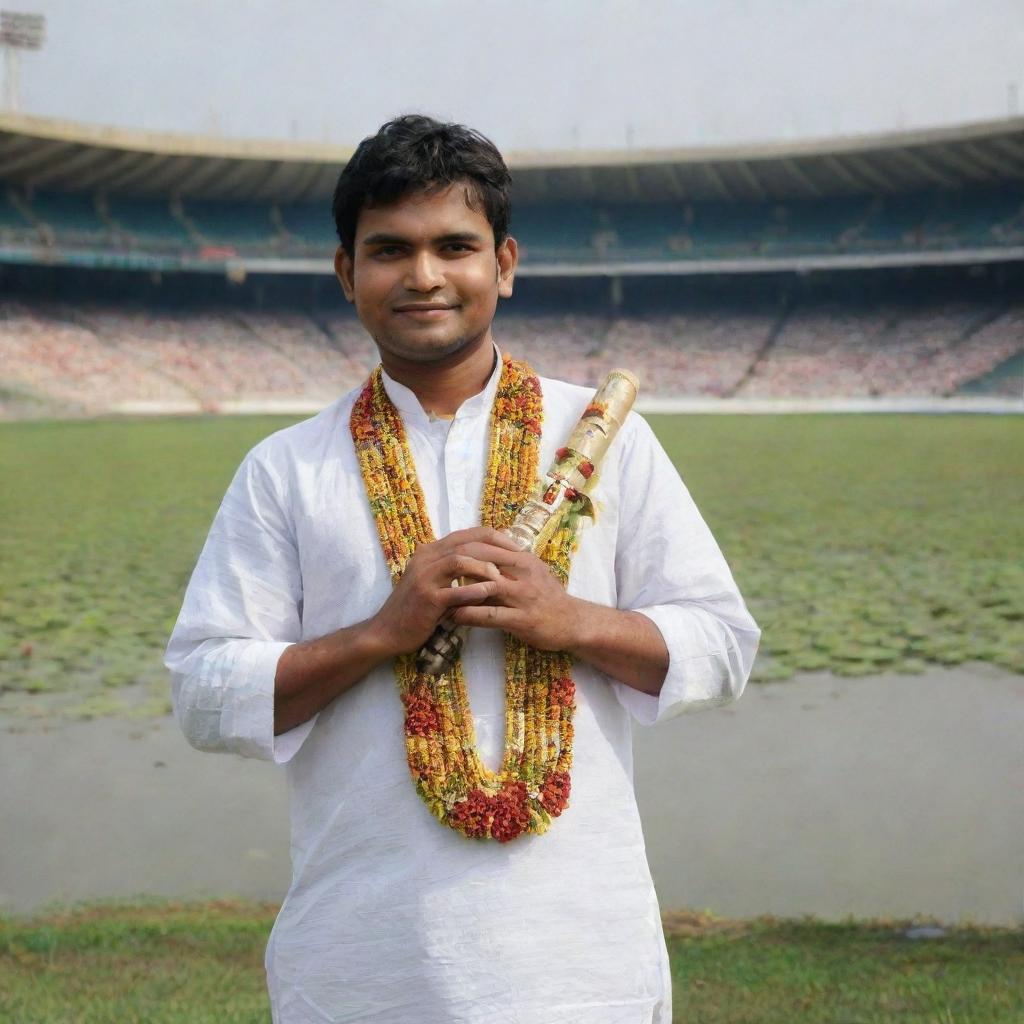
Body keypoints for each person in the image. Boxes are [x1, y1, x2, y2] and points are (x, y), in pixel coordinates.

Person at [166, 114, 761, 1024]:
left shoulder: (607, 440)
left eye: (456, 246)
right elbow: (205, 694)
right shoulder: (286, 468)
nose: (424, 276)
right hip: (362, 965)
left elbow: (723, 646)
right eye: (389, 249)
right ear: (345, 272)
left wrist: (574, 621)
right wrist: (379, 633)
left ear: (506, 264)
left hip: (579, 960)